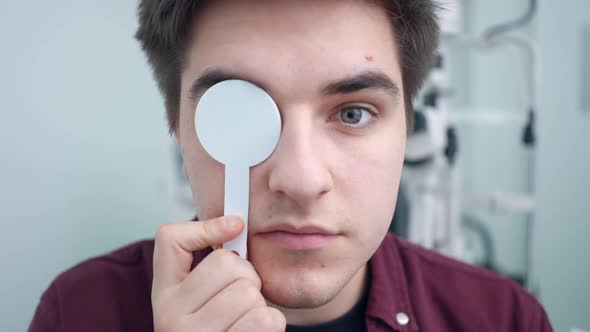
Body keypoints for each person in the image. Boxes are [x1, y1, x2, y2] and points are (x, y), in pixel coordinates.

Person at [29, 0, 553, 331]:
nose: (301, 180)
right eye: (237, 110)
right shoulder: (79, 313)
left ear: (407, 129)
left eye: (353, 113)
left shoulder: (505, 319)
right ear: (178, 126)